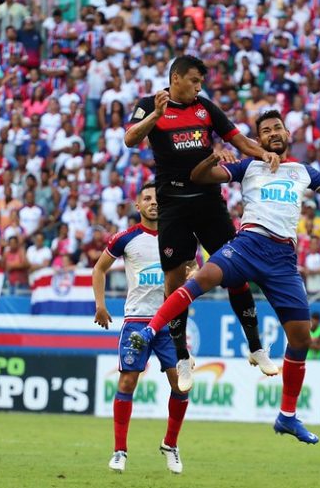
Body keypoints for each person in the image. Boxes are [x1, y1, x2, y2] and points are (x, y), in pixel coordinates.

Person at [129, 110, 320, 443]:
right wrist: (213, 155)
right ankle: (151, 328)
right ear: (259, 140)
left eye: (277, 128)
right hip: (247, 244)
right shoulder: (249, 166)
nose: (273, 132)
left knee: (301, 337)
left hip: (283, 259)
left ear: (288, 134)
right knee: (202, 278)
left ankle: (287, 417)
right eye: (266, 130)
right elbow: (201, 177)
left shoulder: (302, 171)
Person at [124, 55, 281, 390]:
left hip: (209, 202)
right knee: (175, 280)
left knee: (236, 271)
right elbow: (130, 139)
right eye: (194, 81)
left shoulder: (205, 108)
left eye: (200, 82)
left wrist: (262, 154)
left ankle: (255, 347)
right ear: (176, 77)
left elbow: (239, 140)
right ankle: (182, 357)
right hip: (173, 205)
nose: (198, 87)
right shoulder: (149, 104)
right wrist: (155, 114)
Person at [92, 183, 188, 474]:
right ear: (138, 205)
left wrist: (191, 275)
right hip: (137, 320)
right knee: (127, 383)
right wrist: (100, 305)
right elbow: (99, 269)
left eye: (158, 198)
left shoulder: (179, 234)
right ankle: (119, 450)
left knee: (181, 384)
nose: (153, 203)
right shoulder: (126, 238)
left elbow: (193, 268)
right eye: (147, 198)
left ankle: (170, 444)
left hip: (170, 321)